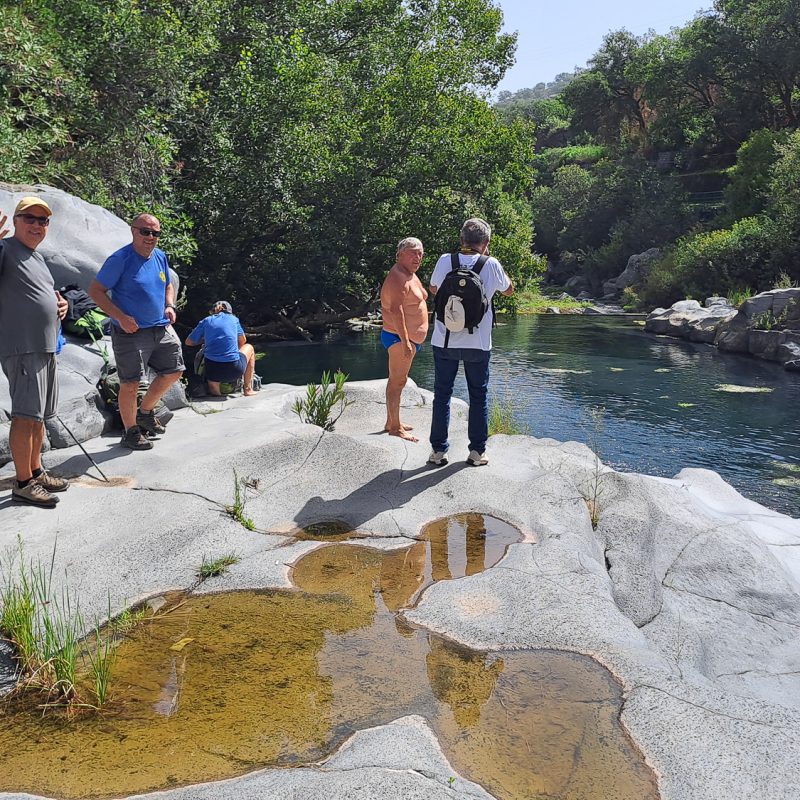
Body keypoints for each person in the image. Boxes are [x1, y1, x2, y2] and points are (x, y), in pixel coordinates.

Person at [88, 213, 185, 451]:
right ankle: (130, 432)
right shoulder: (120, 259)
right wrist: (120, 317)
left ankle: (145, 412)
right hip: (130, 331)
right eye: (145, 231)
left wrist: (169, 305)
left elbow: (168, 284)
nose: (150, 237)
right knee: (130, 383)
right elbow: (96, 291)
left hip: (159, 327)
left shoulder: (159, 257)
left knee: (174, 371)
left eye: (155, 233)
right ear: (133, 231)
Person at [0, 197, 70, 507]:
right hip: (22, 347)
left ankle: (36, 470)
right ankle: (23, 482)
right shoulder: (6, 250)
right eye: (30, 218)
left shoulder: (35, 258)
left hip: (44, 347)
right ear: (16, 221)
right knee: (25, 417)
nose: (37, 225)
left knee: (39, 417)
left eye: (43, 221)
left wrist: (62, 307)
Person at [427, 218, 513, 467]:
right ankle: (476, 452)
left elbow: (434, 288)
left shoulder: (446, 260)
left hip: (445, 340)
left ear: (462, 240)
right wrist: (491, 265)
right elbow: (509, 290)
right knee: (478, 395)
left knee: (442, 395)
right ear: (486, 243)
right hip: (477, 343)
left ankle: (438, 452)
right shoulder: (491, 264)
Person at [380, 237, 428, 442]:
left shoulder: (410, 275)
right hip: (398, 338)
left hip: (405, 338)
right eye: (413, 252)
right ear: (400, 255)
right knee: (397, 382)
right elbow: (396, 310)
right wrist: (406, 341)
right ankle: (395, 428)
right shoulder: (397, 276)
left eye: (420, 253)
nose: (417, 257)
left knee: (397, 381)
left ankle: (392, 421)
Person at [185, 301, 256, 396]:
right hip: (235, 369)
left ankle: (216, 393)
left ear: (213, 311)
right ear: (230, 311)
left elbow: (188, 342)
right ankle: (248, 389)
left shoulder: (206, 321)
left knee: (213, 383)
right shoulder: (233, 319)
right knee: (249, 348)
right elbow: (243, 341)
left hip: (213, 372)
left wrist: (206, 341)